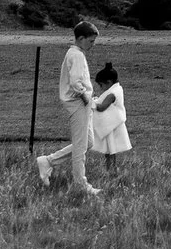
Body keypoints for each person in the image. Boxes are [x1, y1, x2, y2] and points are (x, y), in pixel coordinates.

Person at [36, 20, 103, 197]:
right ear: (80, 38)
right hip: (78, 103)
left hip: (82, 103)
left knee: (87, 143)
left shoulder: (74, 52)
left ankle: (48, 161)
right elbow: (75, 82)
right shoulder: (77, 55)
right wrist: (85, 96)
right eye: (91, 41)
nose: (93, 45)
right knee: (81, 148)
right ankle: (81, 184)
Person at [87, 62, 130, 173]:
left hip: (111, 127)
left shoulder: (112, 93)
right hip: (112, 125)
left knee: (110, 151)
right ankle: (111, 170)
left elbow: (101, 107)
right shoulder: (117, 89)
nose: (101, 88)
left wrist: (90, 102)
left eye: (101, 85)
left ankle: (111, 170)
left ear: (109, 82)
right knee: (110, 151)